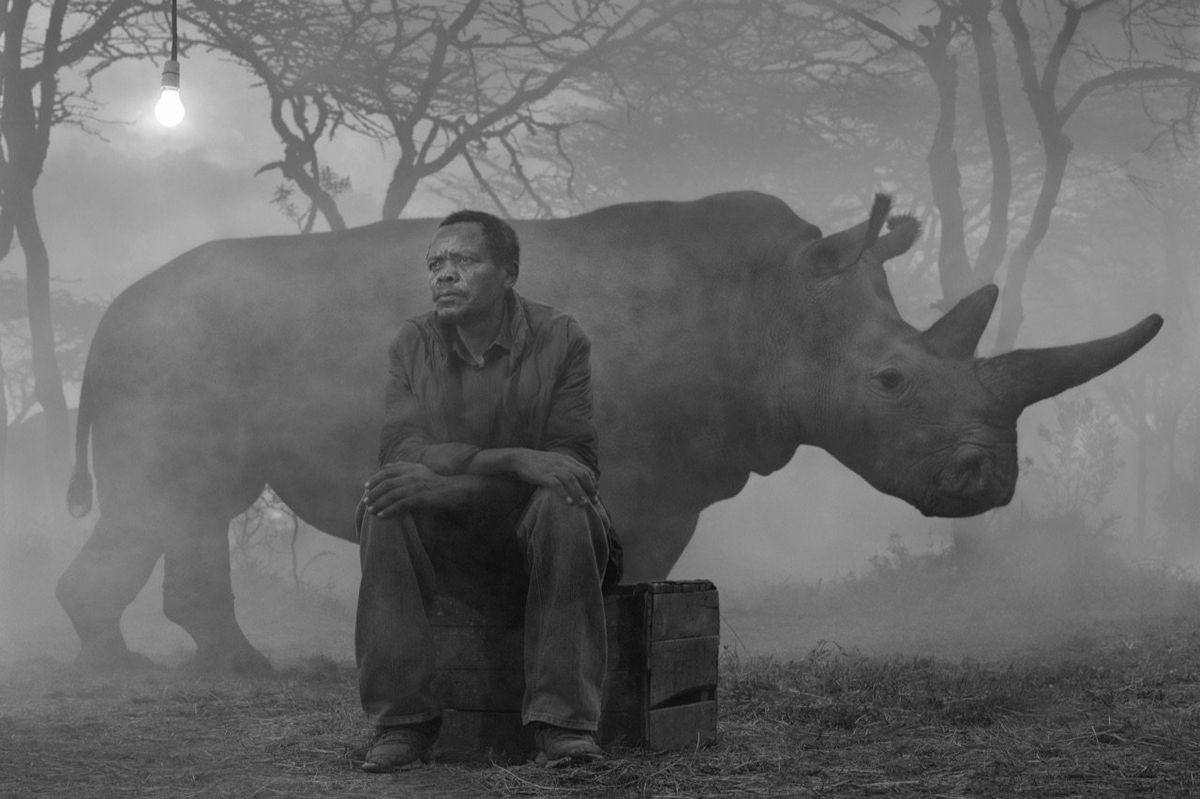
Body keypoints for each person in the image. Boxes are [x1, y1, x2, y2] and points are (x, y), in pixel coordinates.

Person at [355, 209, 621, 772]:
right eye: (435, 264)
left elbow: (574, 462)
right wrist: (512, 459)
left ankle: (564, 725)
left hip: (539, 542)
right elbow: (400, 449)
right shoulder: (412, 341)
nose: (443, 275)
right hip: (455, 548)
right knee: (383, 505)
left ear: (508, 273)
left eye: (464, 261)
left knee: (565, 501)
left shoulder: (560, 336)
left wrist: (454, 481)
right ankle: (401, 724)